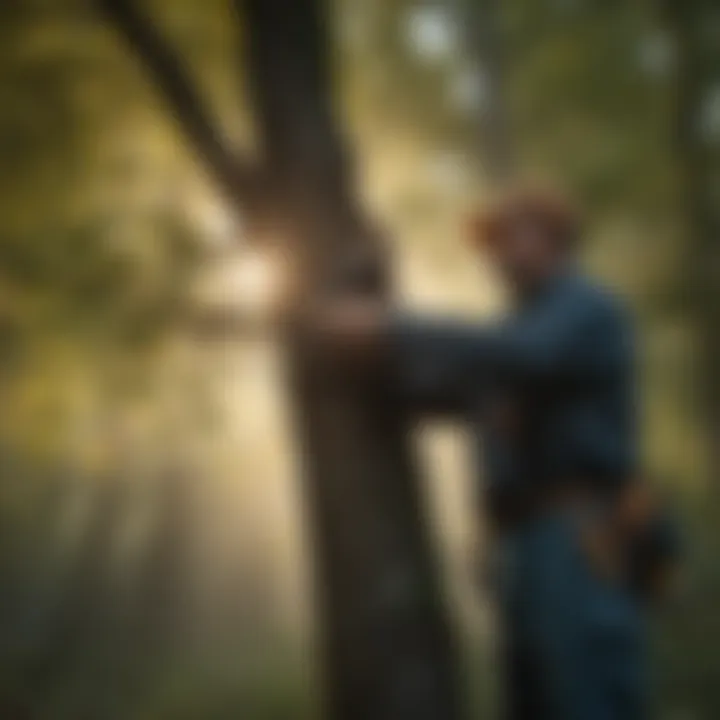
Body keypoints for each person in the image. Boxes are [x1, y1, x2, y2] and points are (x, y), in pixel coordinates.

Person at [311, 185, 649, 720]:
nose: (500, 252)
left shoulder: (587, 310)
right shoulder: (509, 334)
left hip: (578, 535)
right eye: (493, 242)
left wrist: (389, 325)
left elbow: (524, 358)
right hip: (521, 546)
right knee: (531, 701)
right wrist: (369, 351)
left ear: (557, 240)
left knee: (586, 698)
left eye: (516, 235)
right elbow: (441, 390)